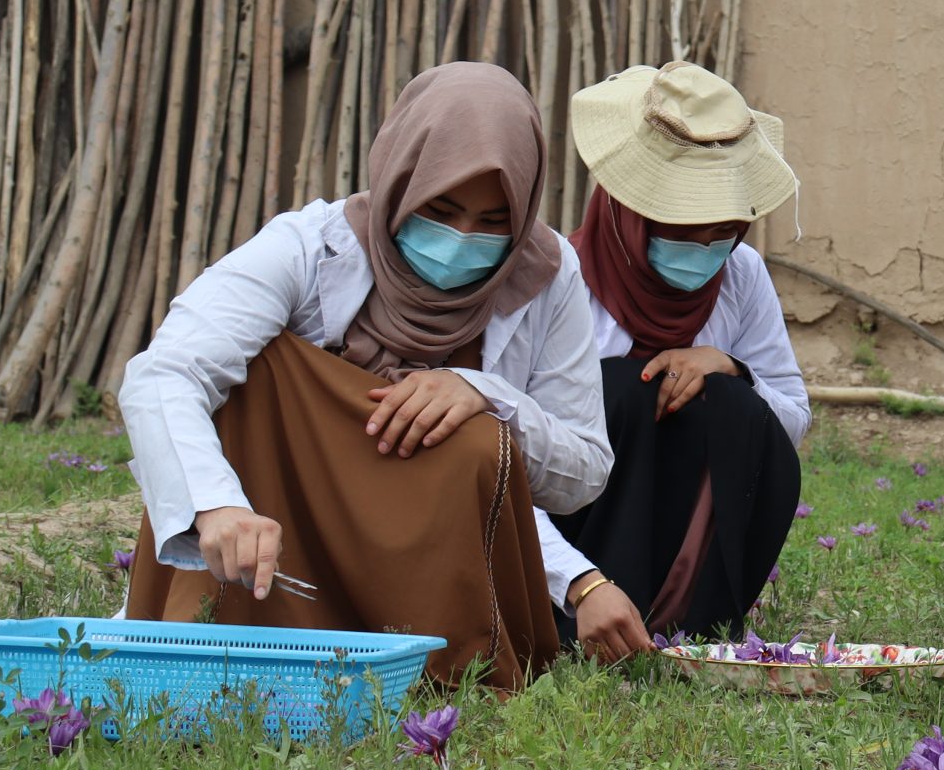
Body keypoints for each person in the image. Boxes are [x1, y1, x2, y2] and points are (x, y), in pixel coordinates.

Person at [119, 63, 609, 688]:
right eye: (441, 208)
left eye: (493, 222)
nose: (462, 240)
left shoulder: (545, 272)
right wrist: (217, 507)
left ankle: (443, 666)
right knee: (261, 368)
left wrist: (482, 392)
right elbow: (167, 372)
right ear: (401, 181)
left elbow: (584, 471)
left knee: (481, 435)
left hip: (434, 574)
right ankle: (237, 645)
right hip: (293, 550)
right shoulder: (308, 247)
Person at [535, 62, 808, 662]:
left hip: (686, 546)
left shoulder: (740, 276)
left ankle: (690, 619)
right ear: (630, 213)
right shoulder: (557, 281)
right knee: (619, 391)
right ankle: (578, 616)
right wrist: (578, 582)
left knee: (737, 402)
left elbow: (789, 422)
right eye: (684, 229)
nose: (704, 251)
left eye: (723, 233)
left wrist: (731, 369)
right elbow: (509, 460)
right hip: (571, 547)